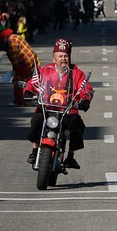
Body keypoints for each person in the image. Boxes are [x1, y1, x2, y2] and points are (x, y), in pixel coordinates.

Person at [24, 38, 94, 169]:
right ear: (54, 58)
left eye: (66, 56)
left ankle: (70, 156)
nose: (63, 59)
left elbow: (86, 89)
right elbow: (33, 84)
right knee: (36, 120)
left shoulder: (77, 73)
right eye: (60, 56)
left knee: (77, 125)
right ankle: (34, 151)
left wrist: (85, 101)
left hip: (67, 111)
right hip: (47, 108)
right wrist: (28, 92)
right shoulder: (45, 71)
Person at [0, 26, 39, 107]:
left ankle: (20, 101)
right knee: (26, 80)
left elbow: (15, 58)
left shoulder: (11, 42)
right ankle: (24, 99)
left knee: (18, 81)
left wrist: (15, 70)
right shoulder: (14, 37)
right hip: (30, 60)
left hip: (24, 62)